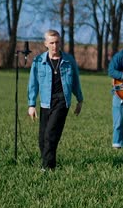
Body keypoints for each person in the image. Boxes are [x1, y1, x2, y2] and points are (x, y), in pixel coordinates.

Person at [28, 30, 84, 171]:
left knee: (51, 134)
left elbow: (75, 81)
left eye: (57, 42)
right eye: (51, 42)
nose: (54, 45)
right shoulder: (39, 61)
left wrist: (79, 100)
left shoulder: (69, 60)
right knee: (42, 138)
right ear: (46, 43)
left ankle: (48, 167)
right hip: (46, 101)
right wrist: (31, 104)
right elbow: (33, 83)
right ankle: (48, 162)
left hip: (62, 101)